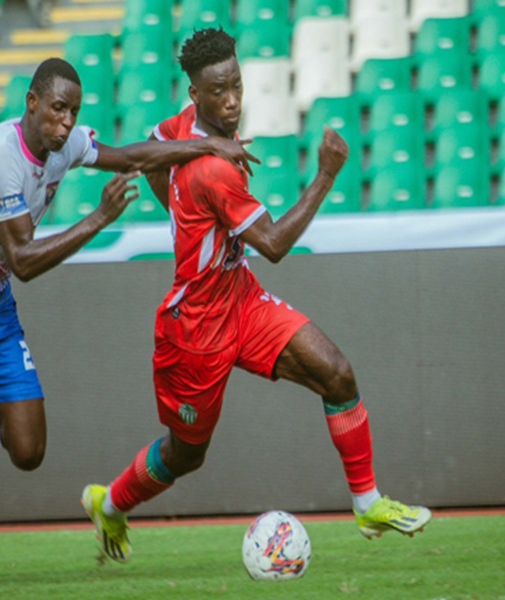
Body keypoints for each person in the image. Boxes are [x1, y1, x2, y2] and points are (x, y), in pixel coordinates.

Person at [81, 28, 432, 564]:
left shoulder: (181, 128)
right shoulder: (214, 169)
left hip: (240, 301)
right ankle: (111, 502)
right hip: (194, 330)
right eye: (218, 92)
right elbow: (272, 244)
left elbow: (153, 151)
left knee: (336, 373)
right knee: (184, 456)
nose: (232, 102)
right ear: (196, 94)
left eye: (237, 86)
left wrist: (180, 208)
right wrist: (325, 176)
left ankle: (367, 504)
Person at [0, 57, 258, 588]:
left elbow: (130, 156)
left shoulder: (63, 145)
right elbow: (23, 260)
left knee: (29, 454)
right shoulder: (2, 156)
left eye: (73, 112)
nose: (66, 123)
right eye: (57, 109)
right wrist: (98, 219)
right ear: (31, 103)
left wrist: (208, 145)